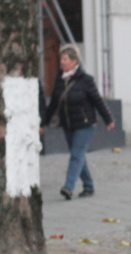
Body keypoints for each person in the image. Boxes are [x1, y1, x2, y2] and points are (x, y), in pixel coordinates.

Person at [40, 45, 115, 200]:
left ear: (74, 61)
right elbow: (54, 103)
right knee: (79, 155)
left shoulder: (86, 80)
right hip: (68, 125)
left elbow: (98, 101)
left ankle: (68, 187)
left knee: (76, 155)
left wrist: (109, 119)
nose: (61, 62)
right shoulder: (60, 80)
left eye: (65, 59)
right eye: (61, 59)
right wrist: (43, 123)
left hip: (85, 125)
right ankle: (88, 186)